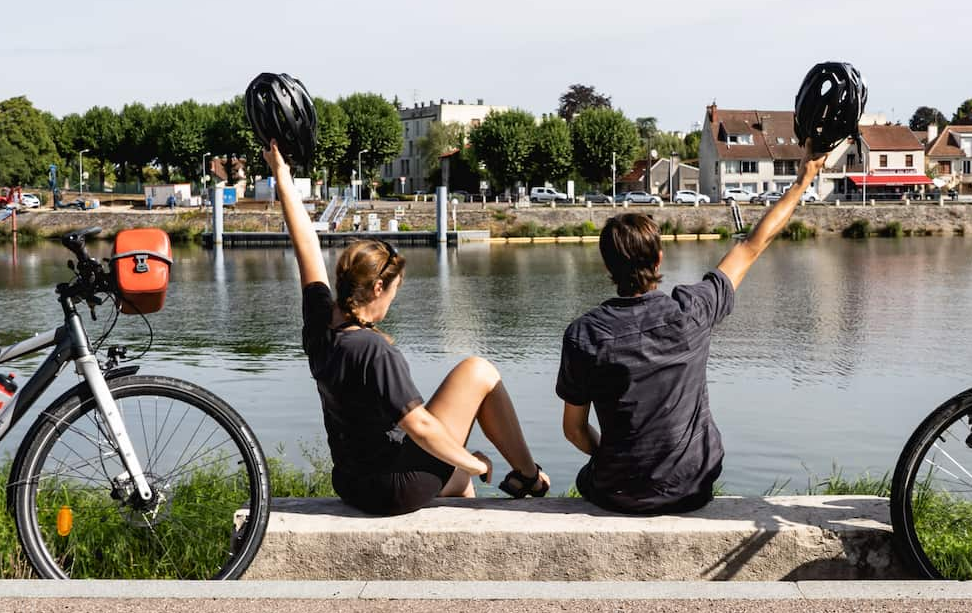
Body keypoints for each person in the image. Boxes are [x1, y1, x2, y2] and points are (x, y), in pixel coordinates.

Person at [266, 141, 550, 516]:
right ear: (379, 288)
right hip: (392, 488)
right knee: (478, 371)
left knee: (461, 485)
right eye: (395, 291)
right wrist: (475, 462)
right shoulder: (372, 349)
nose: (393, 300)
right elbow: (421, 428)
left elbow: (306, 245)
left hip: (351, 481)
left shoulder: (321, 325)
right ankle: (529, 476)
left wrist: (281, 174)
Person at [557, 146, 839, 514]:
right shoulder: (693, 310)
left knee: (588, 476)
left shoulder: (585, 335)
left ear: (606, 265)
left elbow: (574, 430)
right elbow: (753, 245)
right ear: (659, 258)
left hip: (616, 491)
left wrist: (611, 458)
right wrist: (803, 180)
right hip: (691, 486)